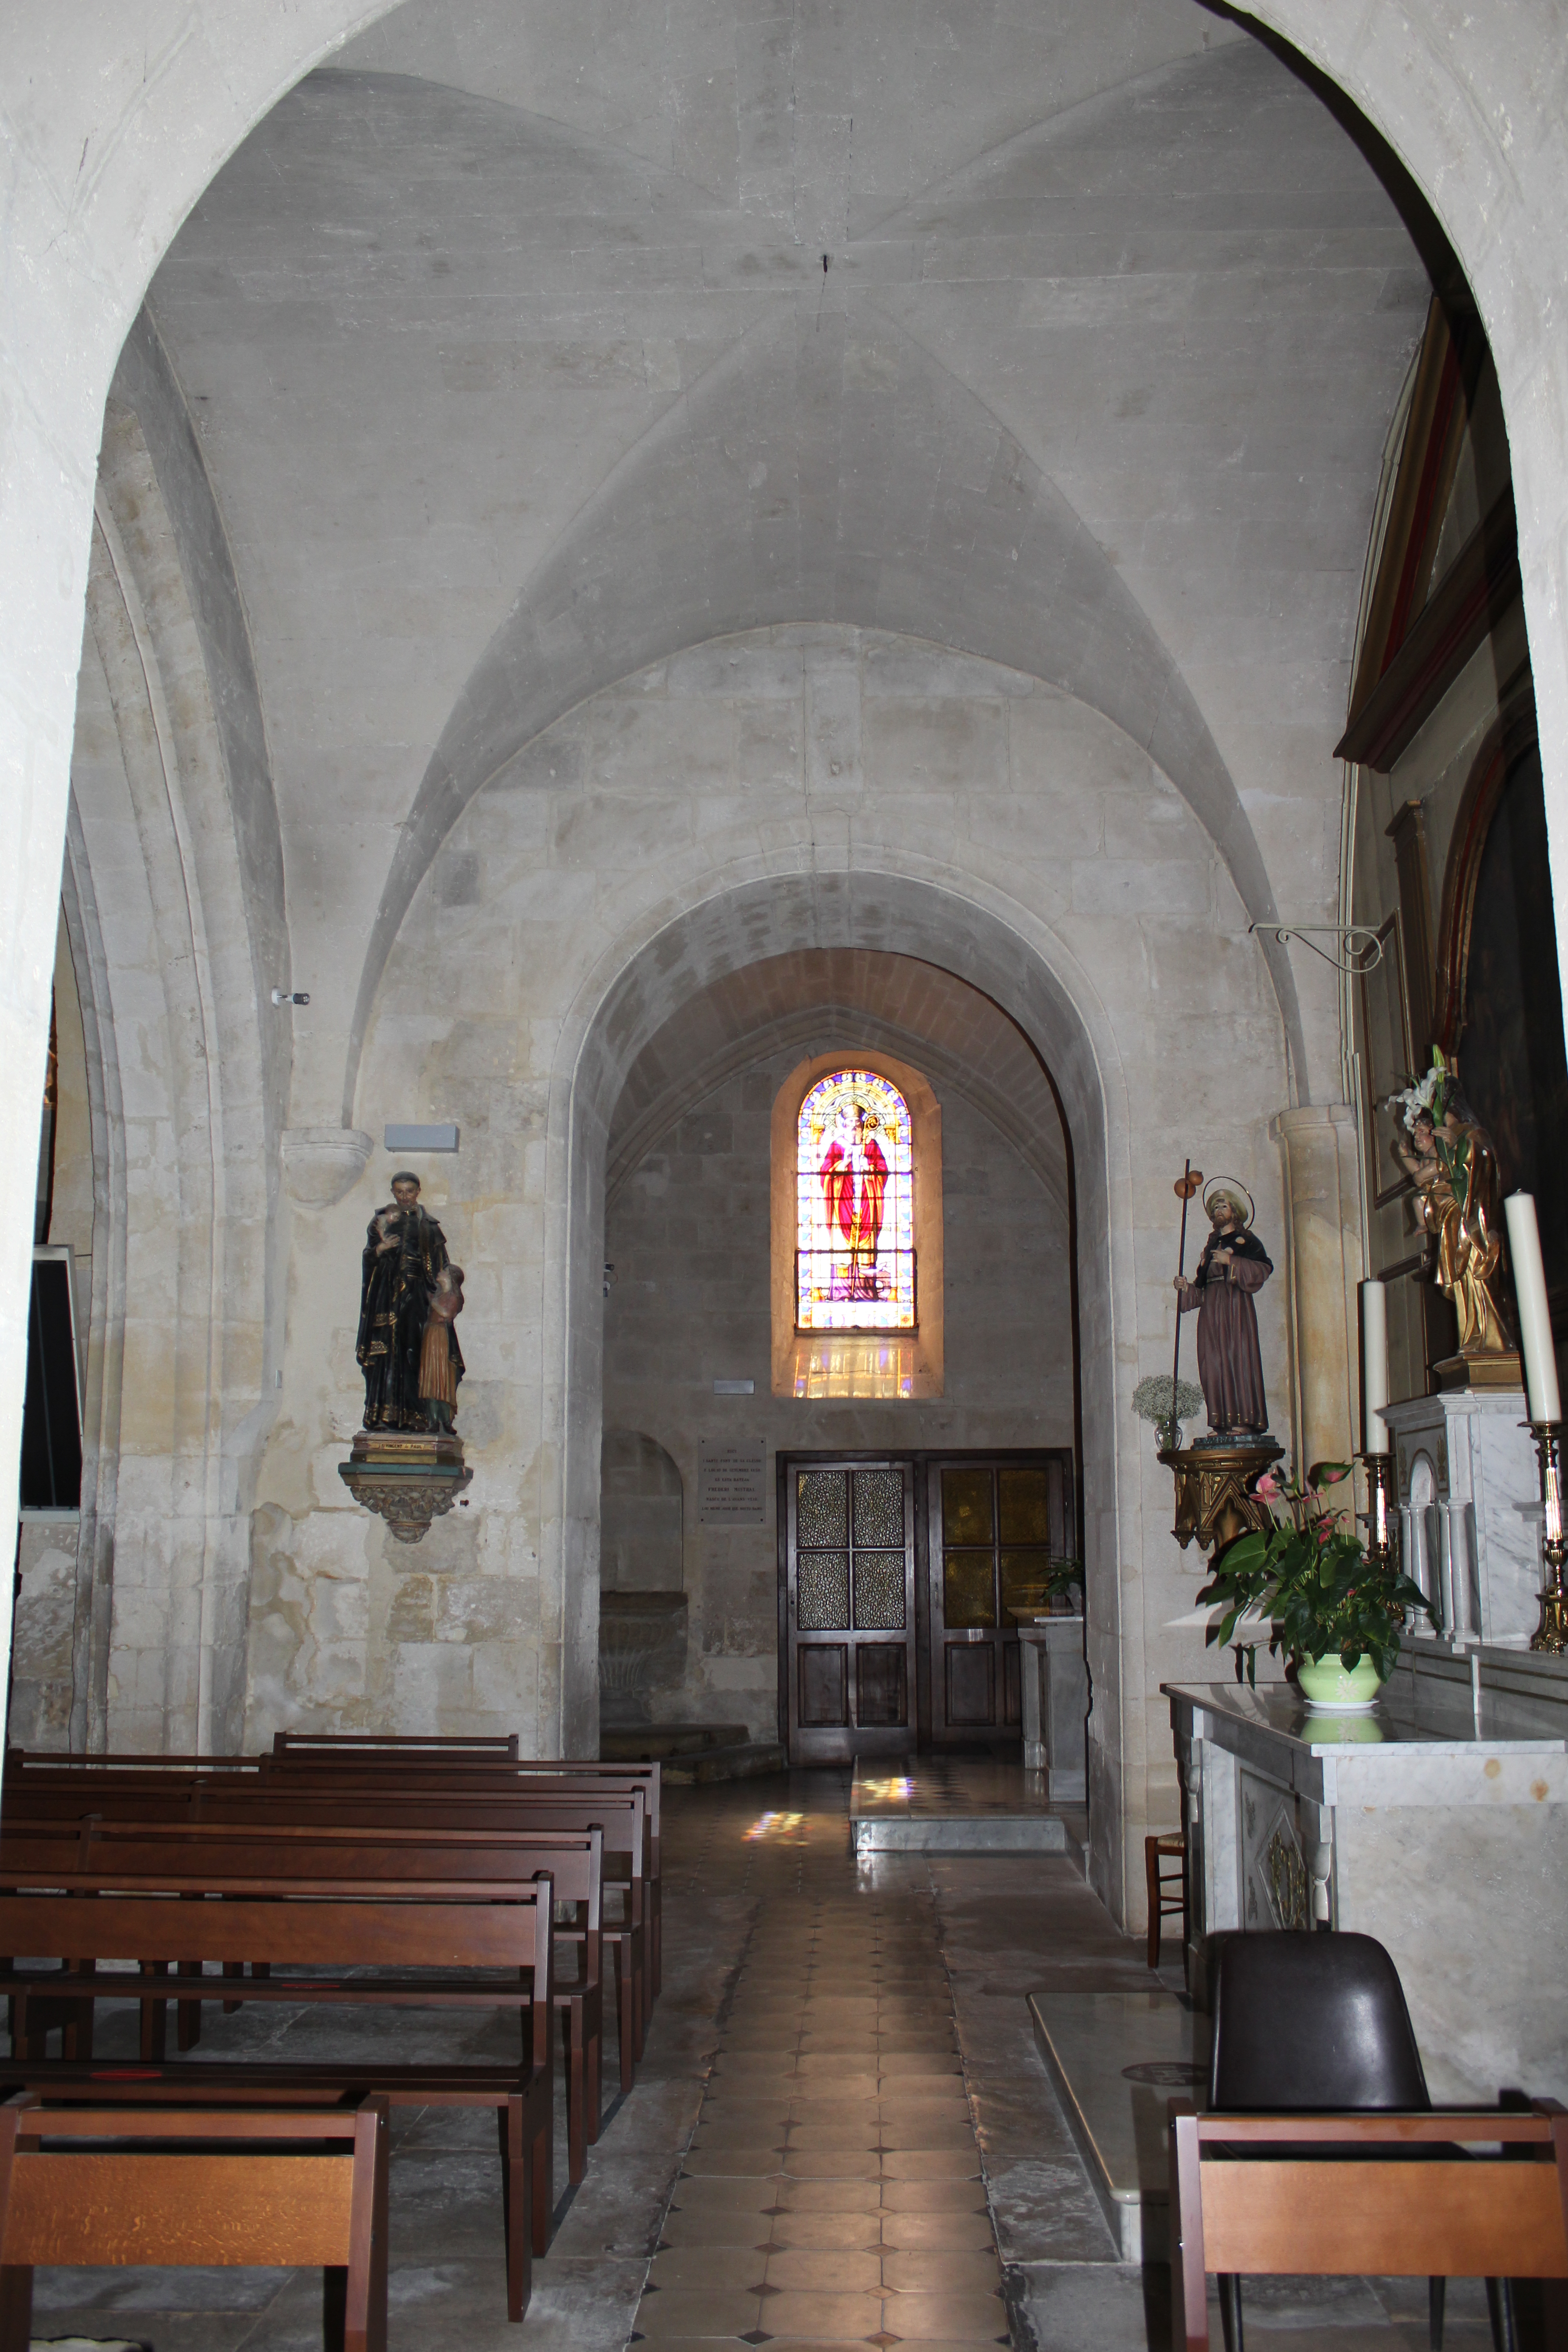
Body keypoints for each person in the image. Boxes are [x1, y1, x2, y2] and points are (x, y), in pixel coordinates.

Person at [1392, 1093, 1509, 1355]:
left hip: (1467, 1218)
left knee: (1476, 1273)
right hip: (1450, 1221)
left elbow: (1474, 1172)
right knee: (1461, 1280)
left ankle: (1489, 1337)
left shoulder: (1471, 1137)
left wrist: (1455, 1148)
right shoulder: (1445, 1142)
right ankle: (1473, 1336)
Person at [356, 1171, 456, 1430]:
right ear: (393, 1193)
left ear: (418, 1191)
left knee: (413, 1353)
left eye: (409, 1191)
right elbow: (369, 1258)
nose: (404, 1197)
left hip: (416, 1297)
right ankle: (382, 1416)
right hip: (386, 1296)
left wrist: (444, 1288)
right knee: (386, 1353)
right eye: (399, 1192)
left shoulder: (429, 1227)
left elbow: (442, 1267)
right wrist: (380, 1250)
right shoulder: (381, 1222)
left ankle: (416, 1415)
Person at [1172, 1184, 1273, 1440]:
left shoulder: (1247, 1241)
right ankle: (1223, 1422)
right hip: (1211, 1311)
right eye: (1215, 1207)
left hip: (1235, 1308)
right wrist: (1187, 1289)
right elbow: (1203, 1288)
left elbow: (1263, 1270)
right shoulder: (1211, 1247)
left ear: (1235, 1212)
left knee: (1236, 1359)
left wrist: (1232, 1262)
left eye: (1224, 1206)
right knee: (1213, 1363)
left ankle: (1244, 1420)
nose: (1219, 1210)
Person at [820, 1102, 888, 1298]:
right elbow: (825, 1172)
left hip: (866, 1202)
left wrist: (869, 1169)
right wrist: (843, 1164)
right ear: (843, 1126)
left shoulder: (871, 1146)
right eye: (850, 1123)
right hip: (842, 1203)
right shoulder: (837, 1146)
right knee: (842, 1248)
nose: (854, 1127)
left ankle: (865, 1292)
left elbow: (883, 1170)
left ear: (862, 1126)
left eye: (857, 1124)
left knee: (866, 1246)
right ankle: (841, 1293)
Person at [418, 1263, 466, 1433]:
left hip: (442, 1339)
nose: (440, 1272)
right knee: (430, 1379)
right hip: (431, 1336)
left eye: (444, 1271)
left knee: (443, 1378)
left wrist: (433, 1303)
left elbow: (447, 1314)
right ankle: (432, 1419)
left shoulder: (454, 1297)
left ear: (451, 1278)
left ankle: (445, 1419)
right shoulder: (437, 1295)